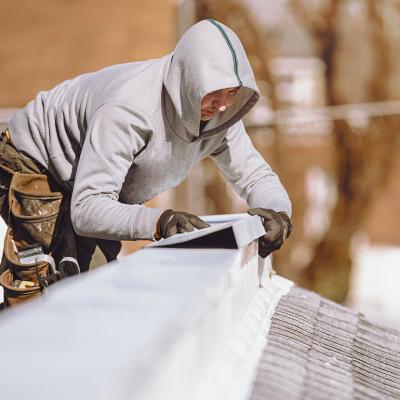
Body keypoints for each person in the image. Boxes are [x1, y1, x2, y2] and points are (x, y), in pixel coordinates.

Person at [0, 19, 292, 276]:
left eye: (232, 92)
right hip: (35, 158)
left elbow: (255, 177)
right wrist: (159, 221)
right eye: (214, 91)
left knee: (94, 278)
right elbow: (88, 208)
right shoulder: (128, 110)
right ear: (189, 79)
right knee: (40, 279)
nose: (224, 104)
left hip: (89, 182)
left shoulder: (219, 118)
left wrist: (278, 213)